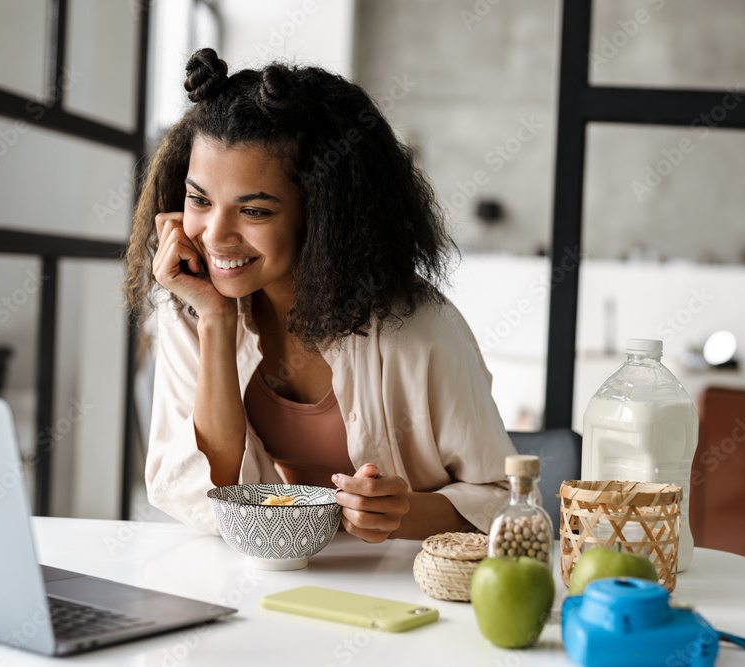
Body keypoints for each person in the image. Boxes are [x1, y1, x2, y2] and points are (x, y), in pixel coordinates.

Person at [124, 48, 516, 543]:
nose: (215, 235)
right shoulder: (191, 303)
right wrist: (216, 322)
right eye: (199, 200)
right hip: (271, 578)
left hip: (399, 588)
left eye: (255, 211)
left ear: (325, 215)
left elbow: (507, 503)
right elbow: (210, 493)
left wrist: (403, 514)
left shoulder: (419, 330)